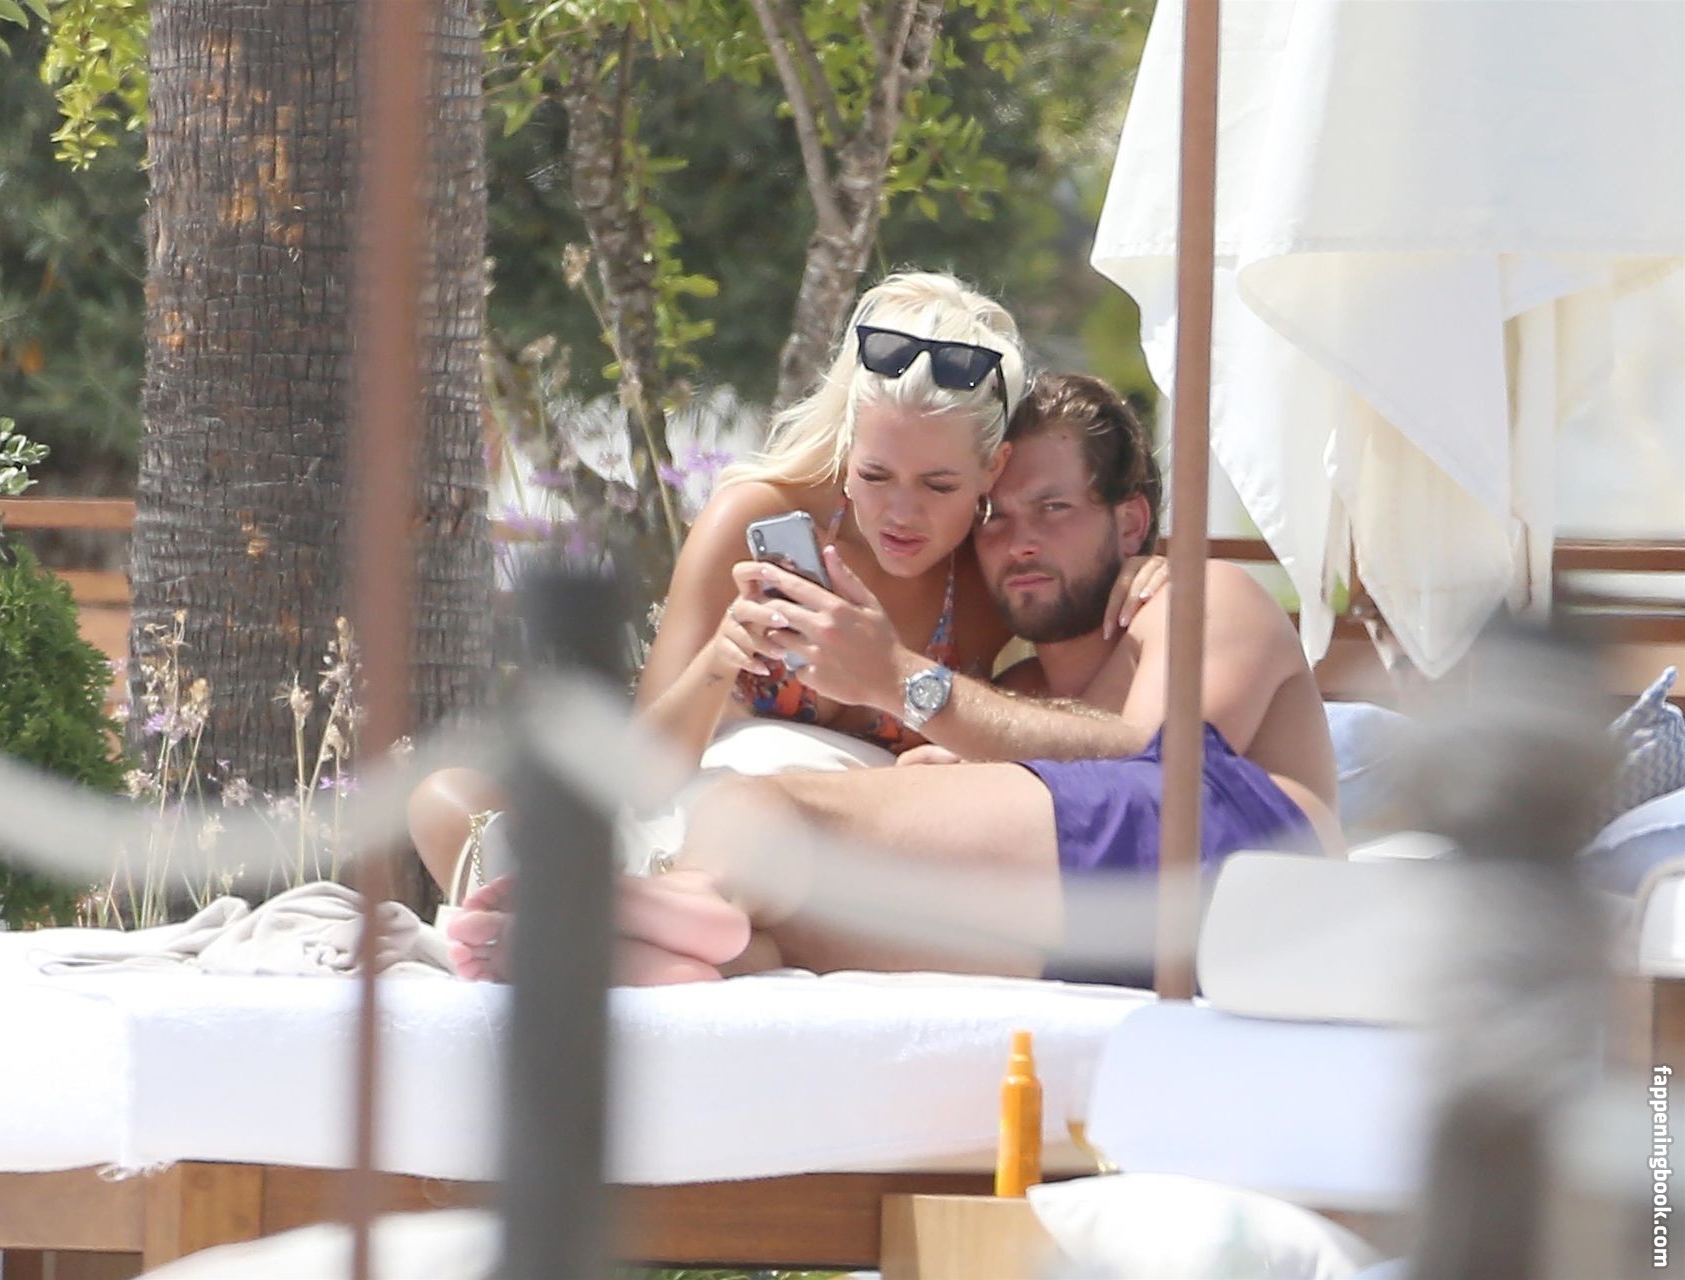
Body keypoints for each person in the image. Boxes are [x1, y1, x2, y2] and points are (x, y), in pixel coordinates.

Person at [446, 372, 1341, 985]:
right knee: (778, 936)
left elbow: (1157, 764)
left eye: (1055, 509)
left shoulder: (1197, 598)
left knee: (772, 811)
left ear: (1132, 521)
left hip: (1242, 869)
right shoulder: (1021, 695)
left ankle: (679, 894)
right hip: (1106, 938)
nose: (1019, 542)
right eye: (996, 517)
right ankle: (649, 949)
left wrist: (904, 682)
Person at [410, 273, 1164, 902]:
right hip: (697, 812)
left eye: (939, 485)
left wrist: (1138, 568)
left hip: (849, 848)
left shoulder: (988, 575)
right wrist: (722, 659)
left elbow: (1093, 715)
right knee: (443, 799)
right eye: (876, 475)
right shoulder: (755, 520)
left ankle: (588, 917)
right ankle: (606, 910)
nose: (902, 514)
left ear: (990, 470)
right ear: (848, 446)